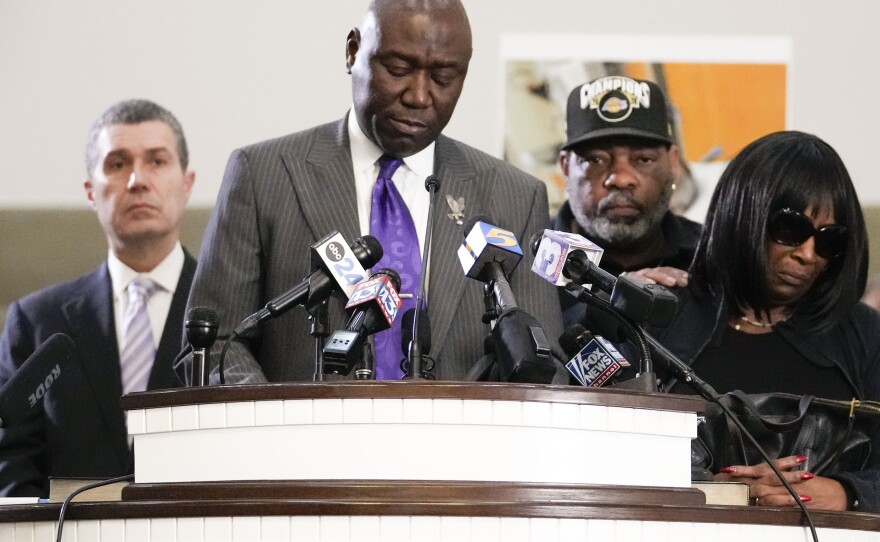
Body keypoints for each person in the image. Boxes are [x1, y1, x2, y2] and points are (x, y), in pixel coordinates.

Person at [180, 0, 563, 384]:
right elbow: (213, 346)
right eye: (398, 69)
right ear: (352, 51)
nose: (419, 95)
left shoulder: (514, 196)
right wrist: (276, 425)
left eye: (444, 77)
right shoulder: (262, 174)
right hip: (302, 439)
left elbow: (545, 368)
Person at [653, 131, 880, 512]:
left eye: (829, 241)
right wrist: (704, 491)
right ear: (742, 213)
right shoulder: (661, 321)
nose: (808, 254)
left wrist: (846, 493)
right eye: (791, 230)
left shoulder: (864, 335)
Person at [0, 99, 197, 496]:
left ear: (187, 183)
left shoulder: (235, 309)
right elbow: (11, 463)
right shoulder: (36, 320)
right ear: (91, 191)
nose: (137, 180)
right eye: (117, 163)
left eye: (157, 161)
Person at [554, 76, 701, 327]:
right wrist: (610, 305)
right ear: (566, 167)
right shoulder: (524, 263)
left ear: (673, 163)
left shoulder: (711, 256)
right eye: (595, 160)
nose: (621, 179)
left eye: (643, 159)